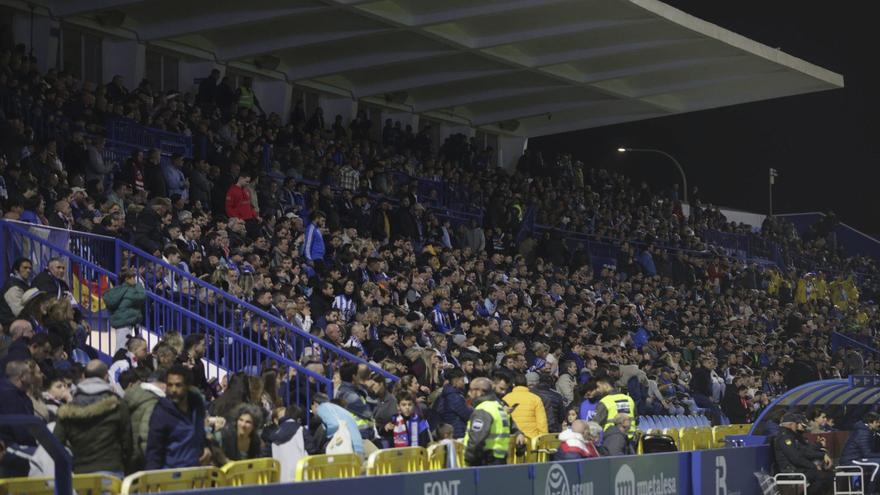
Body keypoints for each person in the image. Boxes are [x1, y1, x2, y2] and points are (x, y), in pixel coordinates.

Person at [53, 360, 132, 475]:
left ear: (84, 376)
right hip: (112, 471)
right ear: (106, 376)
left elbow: (56, 442)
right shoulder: (117, 405)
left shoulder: (68, 409)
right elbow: (127, 443)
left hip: (81, 473)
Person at [144, 364, 209, 469]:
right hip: (171, 474)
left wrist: (206, 446)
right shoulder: (161, 412)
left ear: (187, 386)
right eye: (170, 385)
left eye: (178, 385)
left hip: (196, 472)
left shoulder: (197, 406)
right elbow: (154, 451)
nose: (173, 390)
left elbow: (200, 432)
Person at [772, 412, 832, 495]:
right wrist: (813, 466)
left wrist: (819, 455)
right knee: (823, 477)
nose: (797, 426)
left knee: (827, 476)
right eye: (796, 424)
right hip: (790, 471)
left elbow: (803, 451)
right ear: (791, 424)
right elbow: (795, 458)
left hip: (796, 468)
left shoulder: (791, 435)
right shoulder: (785, 437)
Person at [0, 360, 38, 477]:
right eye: (30, 373)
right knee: (45, 457)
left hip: (19, 443)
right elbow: (21, 431)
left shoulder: (19, 394)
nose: (34, 376)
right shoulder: (8, 396)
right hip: (9, 446)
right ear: (22, 377)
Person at [464, 377, 512, 466]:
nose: (468, 393)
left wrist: (468, 457)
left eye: (471, 390)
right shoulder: (498, 407)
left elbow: (477, 438)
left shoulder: (483, 410)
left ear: (479, 391)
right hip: (499, 459)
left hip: (485, 461)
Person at [125, 369, 166, 472]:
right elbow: (146, 437)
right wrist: (153, 466)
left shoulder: (134, 395)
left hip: (129, 460)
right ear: (164, 385)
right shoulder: (153, 402)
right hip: (143, 464)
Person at [103, 268, 146, 352]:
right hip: (125, 322)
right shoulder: (130, 290)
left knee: (124, 347)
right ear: (126, 279)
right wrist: (139, 285)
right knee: (122, 348)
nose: (134, 279)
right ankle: (118, 360)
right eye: (132, 277)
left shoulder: (118, 289)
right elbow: (142, 296)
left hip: (123, 322)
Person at [839, 411, 880, 493]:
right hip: (850, 460)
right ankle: (870, 492)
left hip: (859, 458)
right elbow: (867, 453)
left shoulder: (870, 431)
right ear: (870, 423)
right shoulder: (863, 432)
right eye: (877, 422)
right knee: (877, 464)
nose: (879, 424)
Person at [502, 373, 548, 440]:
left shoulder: (506, 398)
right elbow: (542, 422)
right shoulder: (535, 399)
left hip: (513, 438)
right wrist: (543, 439)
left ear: (513, 385)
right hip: (532, 439)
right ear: (526, 384)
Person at [433, 369, 472, 438]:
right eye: (462, 380)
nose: (464, 383)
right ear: (455, 380)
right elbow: (466, 414)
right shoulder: (453, 396)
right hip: (456, 431)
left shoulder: (449, 393)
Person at [0, 257, 33, 328]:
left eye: (30, 268)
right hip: (12, 327)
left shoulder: (22, 284)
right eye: (25, 268)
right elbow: (19, 311)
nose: (28, 270)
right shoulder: (13, 287)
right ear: (16, 270)